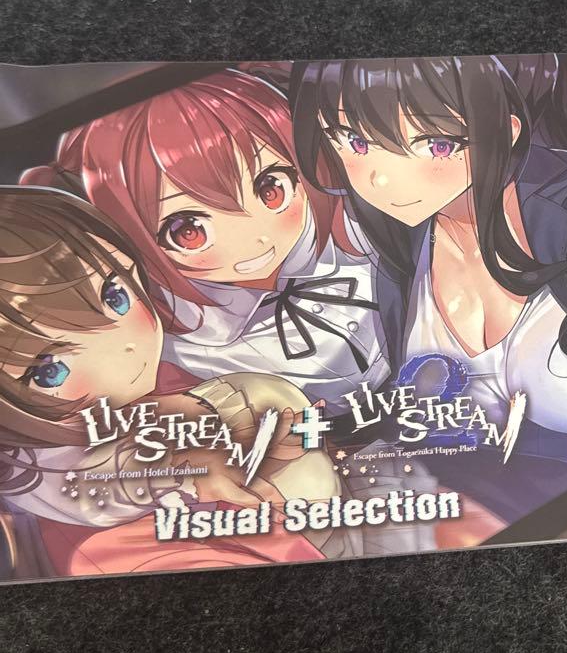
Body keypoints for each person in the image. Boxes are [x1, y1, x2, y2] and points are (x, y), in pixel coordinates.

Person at [289, 54, 567, 527]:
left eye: (435, 145)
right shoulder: (397, 251)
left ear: (507, 129)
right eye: (355, 141)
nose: (380, 178)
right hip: (515, 517)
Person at [0, 186, 324, 578]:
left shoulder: (164, 380)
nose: (124, 347)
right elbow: (86, 481)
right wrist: (182, 471)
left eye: (115, 296)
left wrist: (263, 452)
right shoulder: (36, 471)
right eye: (49, 371)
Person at [23, 69, 389, 413]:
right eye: (189, 231)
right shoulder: (176, 341)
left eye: (271, 189)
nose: (256, 238)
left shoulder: (362, 232)